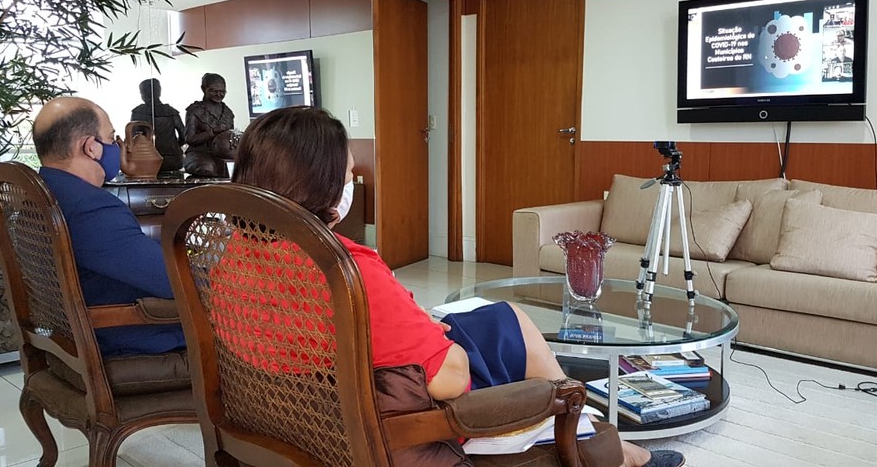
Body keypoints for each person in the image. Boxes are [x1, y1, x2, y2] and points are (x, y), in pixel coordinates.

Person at [227, 106, 685, 467]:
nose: (351, 185)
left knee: (501, 317)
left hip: (305, 411)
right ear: (321, 187)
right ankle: (595, 435)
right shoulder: (347, 271)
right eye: (347, 176)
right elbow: (450, 381)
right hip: (397, 422)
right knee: (507, 336)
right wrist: (437, 340)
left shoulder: (232, 253)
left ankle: (598, 432)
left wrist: (416, 327)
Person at [32, 97, 185, 357]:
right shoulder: (89, 207)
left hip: (72, 338)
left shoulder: (40, 195)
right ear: (91, 147)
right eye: (112, 138)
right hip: (129, 340)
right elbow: (177, 281)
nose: (117, 147)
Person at [183, 73, 235, 178]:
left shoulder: (228, 112)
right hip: (199, 153)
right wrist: (212, 132)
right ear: (204, 89)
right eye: (214, 91)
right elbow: (189, 139)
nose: (219, 95)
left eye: (222, 92)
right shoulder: (194, 110)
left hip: (222, 154)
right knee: (207, 168)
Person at [130, 78, 186, 172]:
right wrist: (173, 147)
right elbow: (184, 136)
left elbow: (133, 139)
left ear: (143, 94)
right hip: (173, 160)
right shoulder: (171, 111)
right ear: (159, 92)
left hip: (148, 160)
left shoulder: (138, 112)